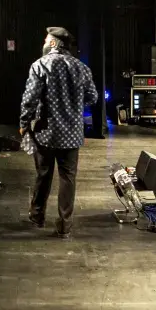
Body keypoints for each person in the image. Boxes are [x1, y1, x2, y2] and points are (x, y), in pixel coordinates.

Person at [18, 26, 97, 238]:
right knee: (67, 178)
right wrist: (74, 103)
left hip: (46, 132)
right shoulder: (81, 68)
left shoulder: (40, 65)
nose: (43, 43)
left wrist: (24, 122)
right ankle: (64, 225)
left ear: (53, 43)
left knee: (43, 175)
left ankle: (37, 216)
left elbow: (30, 98)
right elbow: (93, 97)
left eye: (46, 40)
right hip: (71, 135)